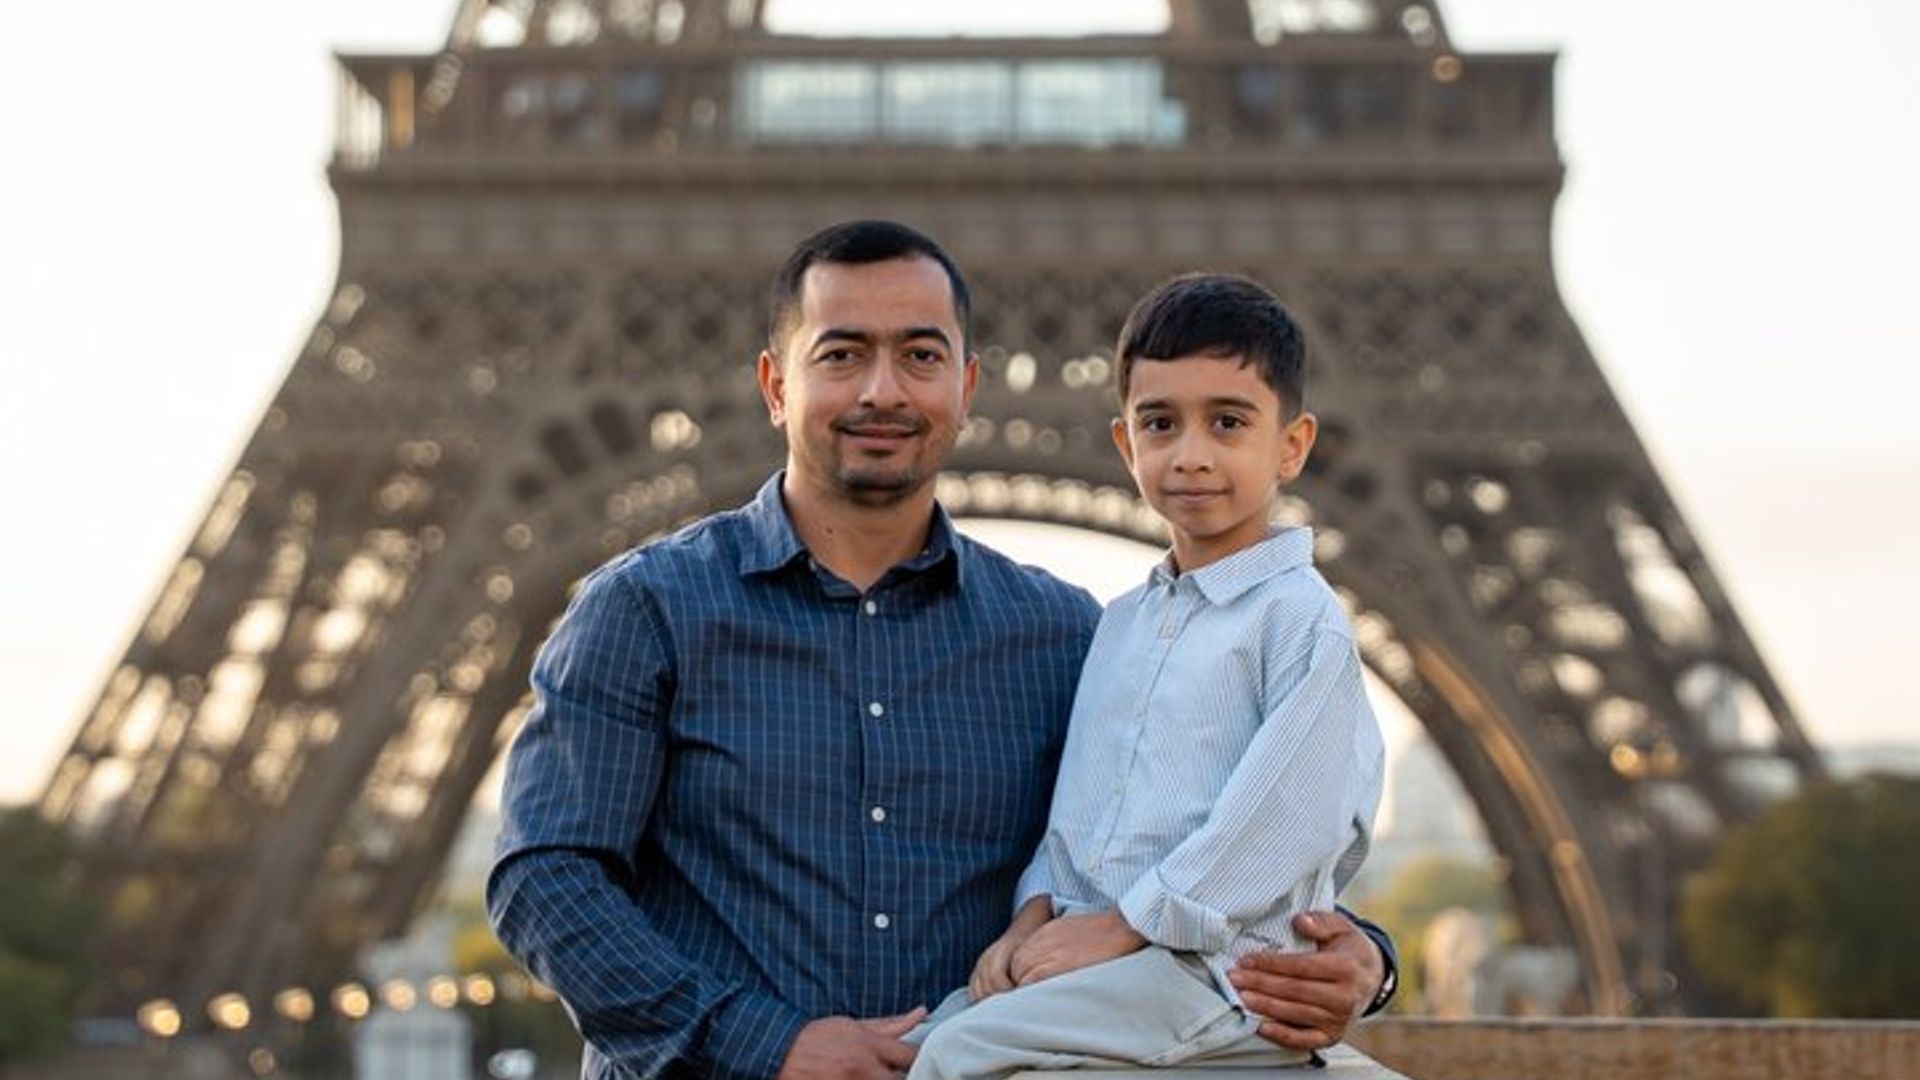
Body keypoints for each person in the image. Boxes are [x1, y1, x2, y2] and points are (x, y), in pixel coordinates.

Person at [488, 221, 1396, 1080]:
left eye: (920, 357)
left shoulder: (1064, 637)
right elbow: (546, 878)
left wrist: (1360, 956)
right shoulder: (645, 610)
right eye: (842, 355)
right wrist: (768, 1046)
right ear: (775, 386)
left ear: (966, 386)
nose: (883, 391)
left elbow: (1179, 826)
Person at [905, 272, 1385, 1079]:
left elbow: (1280, 819)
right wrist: (1030, 918)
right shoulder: (1121, 624)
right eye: (1161, 424)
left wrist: (1128, 923)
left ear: (1293, 446)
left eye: (1227, 423)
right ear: (1127, 445)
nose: (1191, 455)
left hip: (1215, 973)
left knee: (959, 1053)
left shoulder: (1301, 620)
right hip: (1106, 962)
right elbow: (1080, 813)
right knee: (921, 1046)